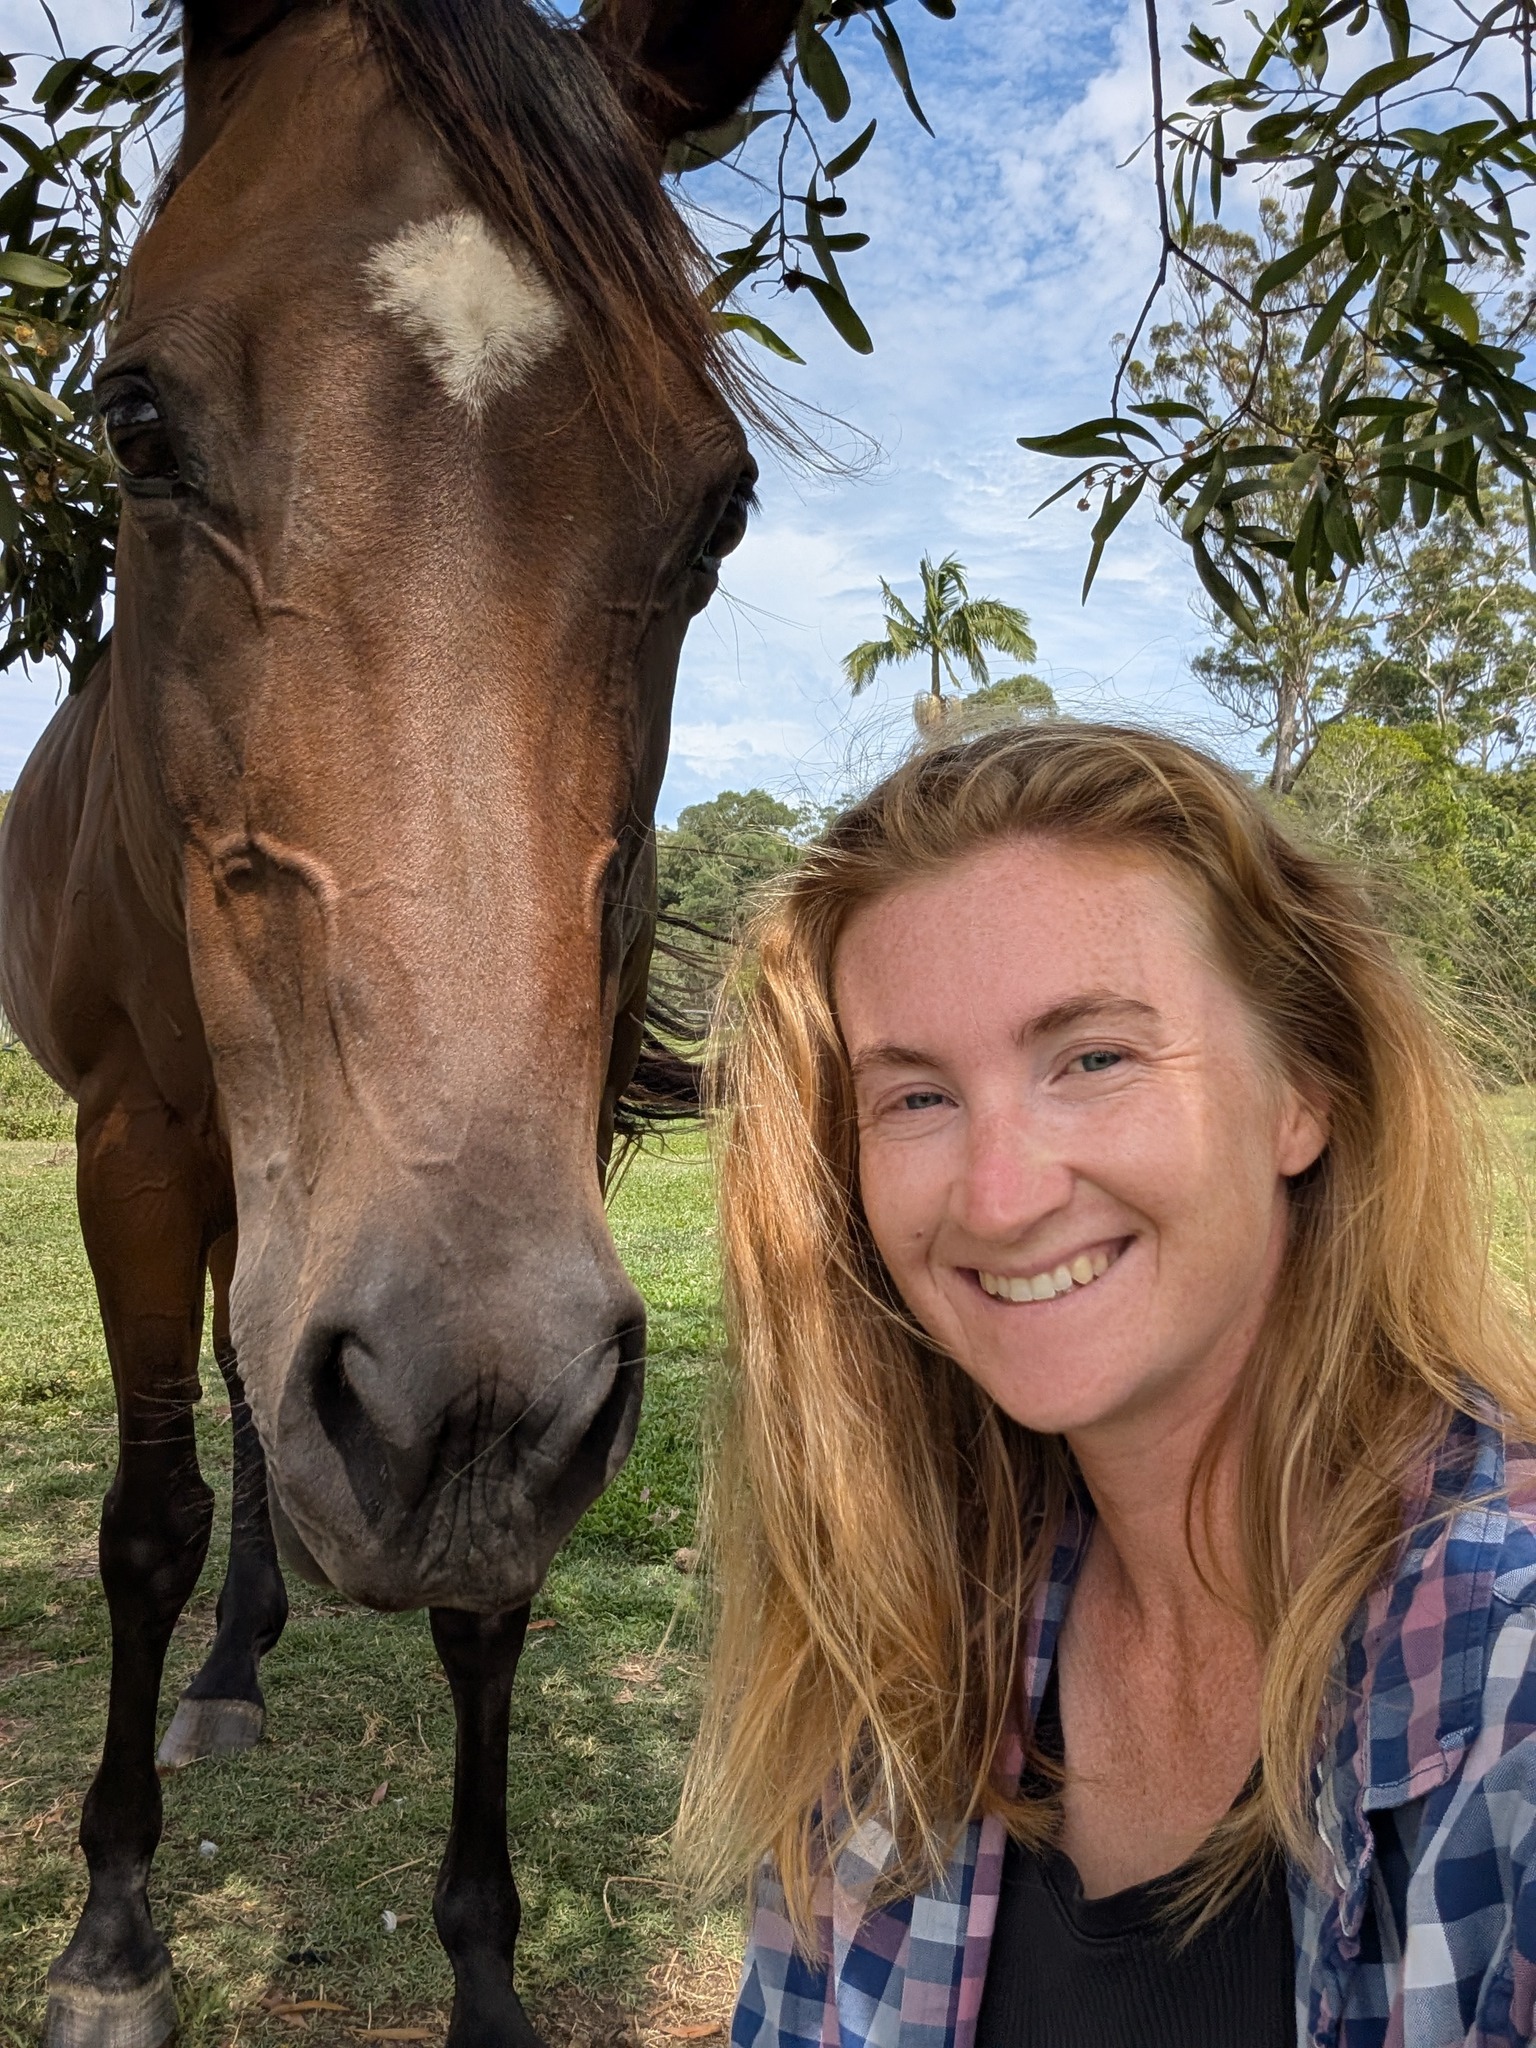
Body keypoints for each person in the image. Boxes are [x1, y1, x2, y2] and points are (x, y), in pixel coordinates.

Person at [675, 723, 1536, 2048]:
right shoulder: (900, 1646)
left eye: (1092, 1058)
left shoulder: (1506, 1677)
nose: (1002, 1196)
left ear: (1304, 1087)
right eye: (914, 1099)